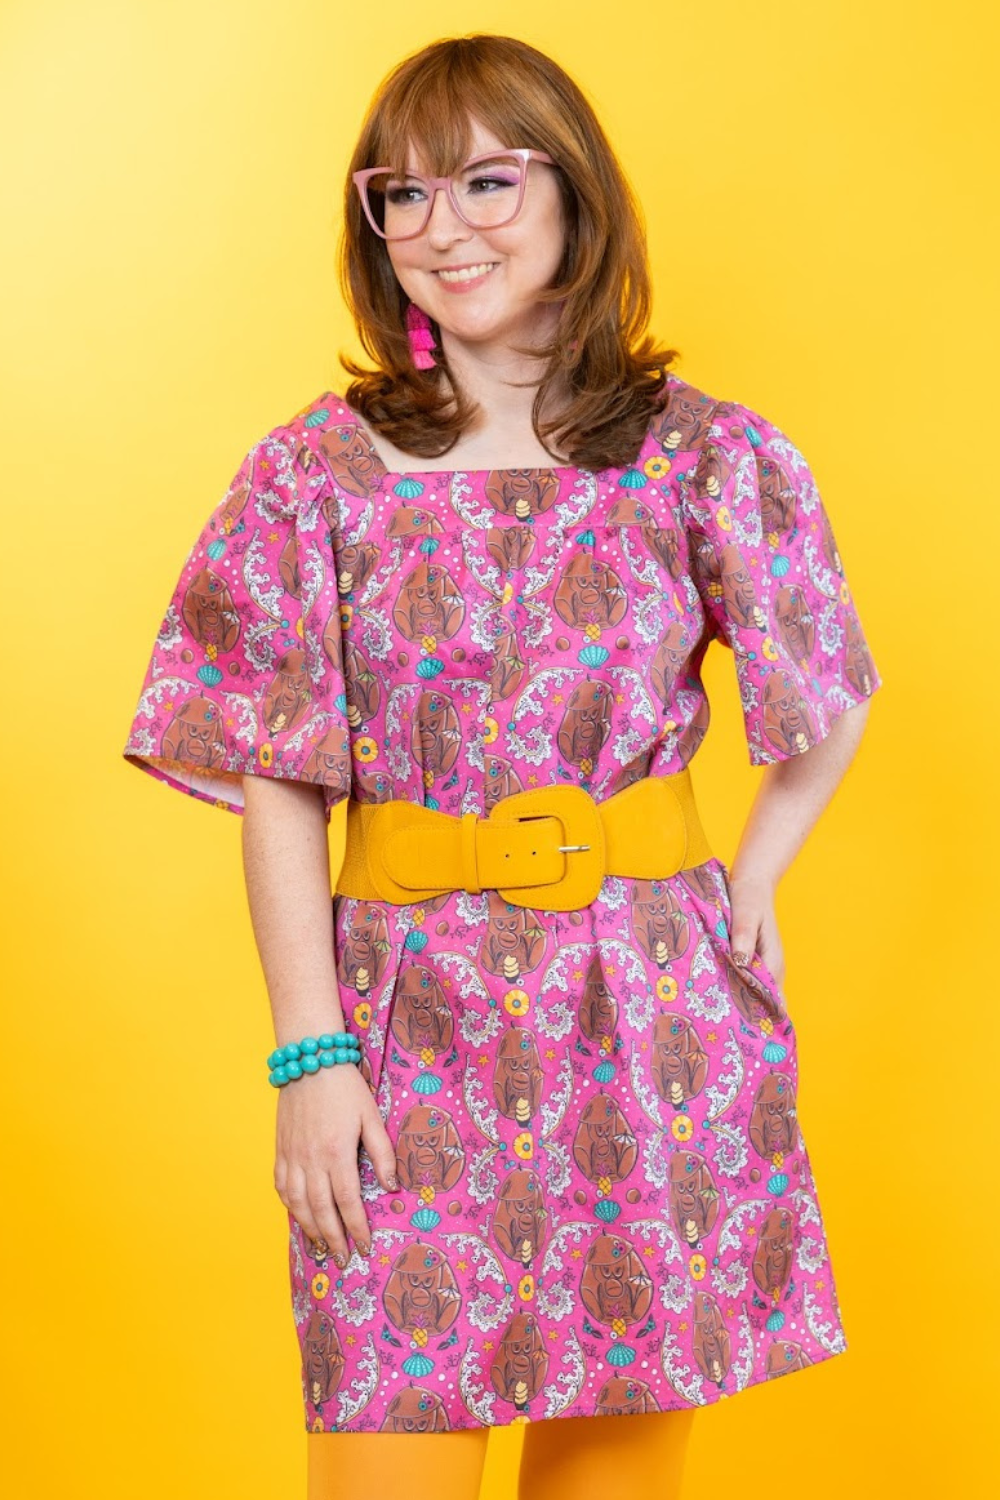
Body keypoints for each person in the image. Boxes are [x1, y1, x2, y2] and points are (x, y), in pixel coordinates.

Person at [122, 32, 882, 1500]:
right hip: (406, 1031)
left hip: (648, 1019)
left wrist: (758, 875)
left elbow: (830, 690)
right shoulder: (313, 474)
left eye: (485, 180)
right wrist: (309, 1051)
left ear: (576, 196)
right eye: (398, 198)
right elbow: (276, 776)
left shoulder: (706, 457)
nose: (441, 228)